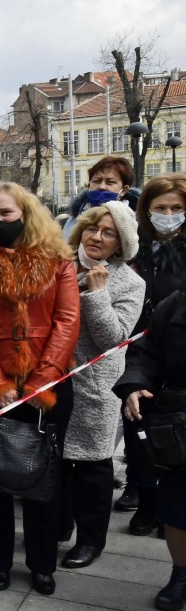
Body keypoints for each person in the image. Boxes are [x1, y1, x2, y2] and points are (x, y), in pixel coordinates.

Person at [0, 181, 81, 595]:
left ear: (25, 213)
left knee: (45, 478)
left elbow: (66, 324)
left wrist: (41, 381)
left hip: (50, 386)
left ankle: (42, 563)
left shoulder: (59, 260)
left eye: (6, 213)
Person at [58, 202, 144, 570]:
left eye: (108, 233)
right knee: (56, 461)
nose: (97, 236)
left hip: (95, 387)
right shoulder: (60, 265)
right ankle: (57, 527)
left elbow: (114, 337)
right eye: (93, 228)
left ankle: (91, 540)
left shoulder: (130, 282)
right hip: (53, 380)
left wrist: (96, 294)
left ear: (120, 244)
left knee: (92, 466)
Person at [116, 282, 186, 610]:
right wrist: (134, 385)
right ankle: (181, 575)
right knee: (177, 508)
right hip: (179, 424)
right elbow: (145, 354)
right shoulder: (174, 305)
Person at [124, 173, 186, 531]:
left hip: (175, 350)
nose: (169, 214)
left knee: (174, 432)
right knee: (138, 431)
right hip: (137, 351)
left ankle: (171, 507)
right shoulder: (135, 248)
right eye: (160, 207)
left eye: (177, 208)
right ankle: (145, 500)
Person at [63, 156, 139, 237]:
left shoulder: (136, 224)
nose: (101, 187)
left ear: (124, 190)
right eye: (97, 181)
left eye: (110, 182)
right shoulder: (72, 221)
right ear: (89, 185)